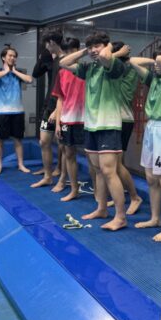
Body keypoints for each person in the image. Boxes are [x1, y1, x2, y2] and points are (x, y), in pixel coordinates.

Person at [59, 32, 129, 231]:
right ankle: (102, 208)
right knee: (98, 170)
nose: (93, 50)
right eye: (90, 47)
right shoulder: (88, 68)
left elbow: (106, 56)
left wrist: (109, 50)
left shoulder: (115, 65)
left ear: (106, 46)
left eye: (97, 46)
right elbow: (63, 62)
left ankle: (121, 217)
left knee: (109, 171)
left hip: (108, 125)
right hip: (91, 125)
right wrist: (85, 51)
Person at [128, 44, 161, 242]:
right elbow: (133, 61)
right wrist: (156, 61)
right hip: (151, 127)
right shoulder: (155, 79)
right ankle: (155, 218)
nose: (158, 63)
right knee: (151, 177)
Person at [110, 41, 144, 216]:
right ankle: (121, 194)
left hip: (122, 120)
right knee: (117, 163)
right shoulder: (126, 67)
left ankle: (135, 197)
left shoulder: (124, 69)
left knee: (116, 164)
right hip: (116, 119)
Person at [0, 45, 33, 175]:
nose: (12, 58)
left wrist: (14, 71)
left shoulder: (18, 73)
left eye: (14, 56)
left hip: (18, 112)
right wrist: (6, 71)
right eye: (10, 55)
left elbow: (29, 79)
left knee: (18, 139)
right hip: (1, 113)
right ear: (3, 57)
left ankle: (21, 164)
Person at [52, 37, 86, 202]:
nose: (69, 54)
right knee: (69, 154)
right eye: (66, 51)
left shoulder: (87, 70)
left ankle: (99, 192)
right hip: (67, 119)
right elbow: (60, 99)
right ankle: (74, 189)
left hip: (87, 119)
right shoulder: (61, 73)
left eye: (73, 50)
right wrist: (58, 123)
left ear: (78, 50)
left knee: (93, 158)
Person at [31, 30, 64, 188]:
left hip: (62, 106)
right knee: (44, 141)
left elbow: (66, 89)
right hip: (49, 104)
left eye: (46, 44)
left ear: (52, 43)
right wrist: (43, 57)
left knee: (64, 146)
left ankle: (62, 178)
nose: (46, 47)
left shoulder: (65, 61)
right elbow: (36, 73)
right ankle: (48, 176)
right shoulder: (51, 60)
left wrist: (58, 110)